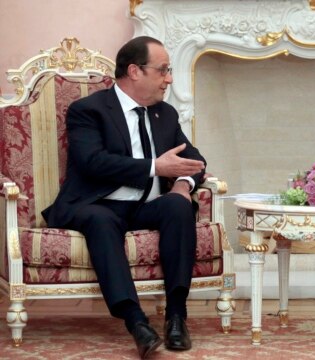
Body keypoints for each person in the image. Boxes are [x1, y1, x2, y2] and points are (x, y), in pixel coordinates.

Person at [42, 36, 206, 359]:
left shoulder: (165, 115)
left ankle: (176, 317)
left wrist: (182, 186)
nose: (169, 79)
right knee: (101, 220)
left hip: (144, 207)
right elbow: (93, 162)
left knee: (176, 205)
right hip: (97, 205)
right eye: (163, 70)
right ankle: (137, 323)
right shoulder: (88, 110)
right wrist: (154, 167)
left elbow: (196, 162)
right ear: (134, 71)